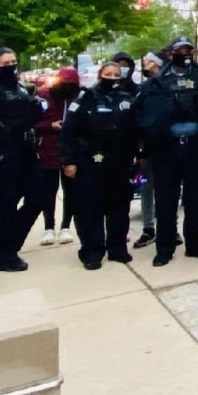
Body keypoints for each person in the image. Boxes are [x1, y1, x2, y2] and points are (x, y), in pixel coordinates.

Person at [133, 36, 198, 267]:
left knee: (194, 200)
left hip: (196, 148)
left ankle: (195, 244)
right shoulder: (156, 82)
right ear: (170, 53)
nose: (185, 53)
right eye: (180, 49)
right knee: (166, 201)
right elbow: (141, 114)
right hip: (166, 150)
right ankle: (165, 248)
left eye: (188, 49)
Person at [0, 47, 45, 272]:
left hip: (26, 151)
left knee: (37, 199)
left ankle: (6, 244)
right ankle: (8, 256)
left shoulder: (22, 89)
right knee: (6, 206)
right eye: (6, 63)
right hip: (6, 155)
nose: (11, 66)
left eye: (14, 61)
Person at [60, 62, 138, 270]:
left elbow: (135, 131)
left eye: (116, 75)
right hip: (89, 162)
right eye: (108, 74)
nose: (112, 77)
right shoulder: (85, 99)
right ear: (100, 75)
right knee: (89, 209)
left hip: (119, 162)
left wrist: (138, 156)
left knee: (119, 208)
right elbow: (69, 132)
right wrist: (69, 161)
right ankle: (92, 251)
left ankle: (117, 248)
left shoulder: (127, 100)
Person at [35, 67, 80, 247]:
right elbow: (33, 122)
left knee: (70, 190)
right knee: (49, 190)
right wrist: (49, 126)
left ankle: (65, 226)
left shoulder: (79, 98)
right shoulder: (43, 97)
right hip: (48, 150)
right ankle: (49, 227)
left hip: (71, 151)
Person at [133, 52, 166, 249]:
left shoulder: (166, 86)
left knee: (168, 190)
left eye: (148, 61)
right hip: (145, 150)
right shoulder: (142, 90)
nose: (145, 65)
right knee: (144, 186)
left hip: (166, 149)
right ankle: (148, 228)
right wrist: (140, 150)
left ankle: (171, 228)